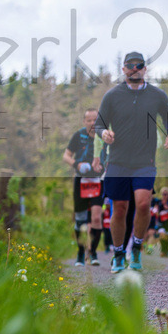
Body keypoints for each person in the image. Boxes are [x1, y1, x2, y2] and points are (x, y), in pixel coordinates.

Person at [96, 51, 168, 273]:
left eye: (139, 65)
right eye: (130, 65)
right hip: (118, 161)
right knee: (119, 209)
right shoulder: (112, 96)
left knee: (143, 204)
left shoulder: (156, 95)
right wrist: (104, 134)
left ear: (145, 69)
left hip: (145, 160)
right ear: (123, 69)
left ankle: (137, 249)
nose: (134, 68)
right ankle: (119, 252)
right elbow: (99, 124)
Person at [62, 108, 107, 266]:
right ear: (84, 121)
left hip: (98, 181)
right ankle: (81, 253)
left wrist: (104, 166)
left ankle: (93, 253)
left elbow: (112, 155)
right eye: (89, 120)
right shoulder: (78, 135)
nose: (93, 123)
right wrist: (76, 164)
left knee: (96, 217)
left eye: (95, 119)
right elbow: (66, 155)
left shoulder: (104, 136)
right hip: (80, 180)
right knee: (80, 219)